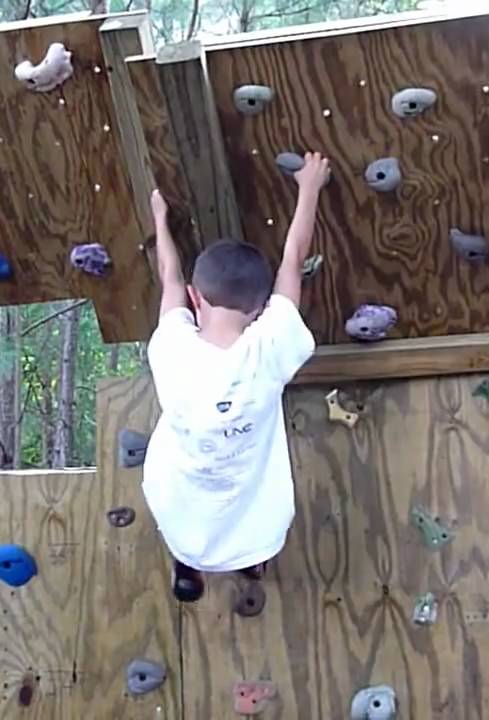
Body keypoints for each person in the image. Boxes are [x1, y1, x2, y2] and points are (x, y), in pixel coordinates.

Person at [141, 152, 333, 602]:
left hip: (180, 505)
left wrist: (161, 220)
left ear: (195, 298)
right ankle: (251, 564)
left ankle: (188, 566)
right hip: (253, 512)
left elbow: (169, 276)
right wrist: (309, 188)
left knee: (183, 518)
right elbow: (293, 260)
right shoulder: (270, 347)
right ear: (261, 308)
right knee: (253, 532)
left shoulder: (172, 348)